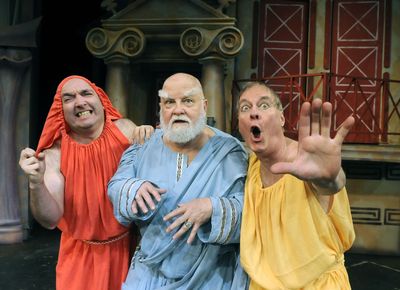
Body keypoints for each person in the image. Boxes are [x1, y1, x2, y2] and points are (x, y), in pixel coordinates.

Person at [107, 72, 249, 290]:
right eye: (169, 102)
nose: (178, 109)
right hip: (150, 273)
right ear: (161, 107)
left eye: (188, 101)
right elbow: (116, 185)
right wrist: (132, 188)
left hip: (211, 275)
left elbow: (252, 208)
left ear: (204, 106)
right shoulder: (142, 147)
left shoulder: (230, 152)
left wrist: (213, 207)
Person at [18, 75, 154, 290]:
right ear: (60, 110)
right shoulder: (54, 154)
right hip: (81, 260)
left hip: (130, 251)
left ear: (101, 100)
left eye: (86, 93)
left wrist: (151, 141)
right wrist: (36, 183)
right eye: (69, 98)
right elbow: (50, 220)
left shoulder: (126, 130)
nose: (80, 102)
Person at [237, 82, 356, 290]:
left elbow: (331, 184)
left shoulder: (307, 163)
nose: (254, 113)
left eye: (264, 106)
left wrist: (327, 177)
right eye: (245, 108)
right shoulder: (251, 166)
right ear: (240, 125)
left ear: (282, 118)